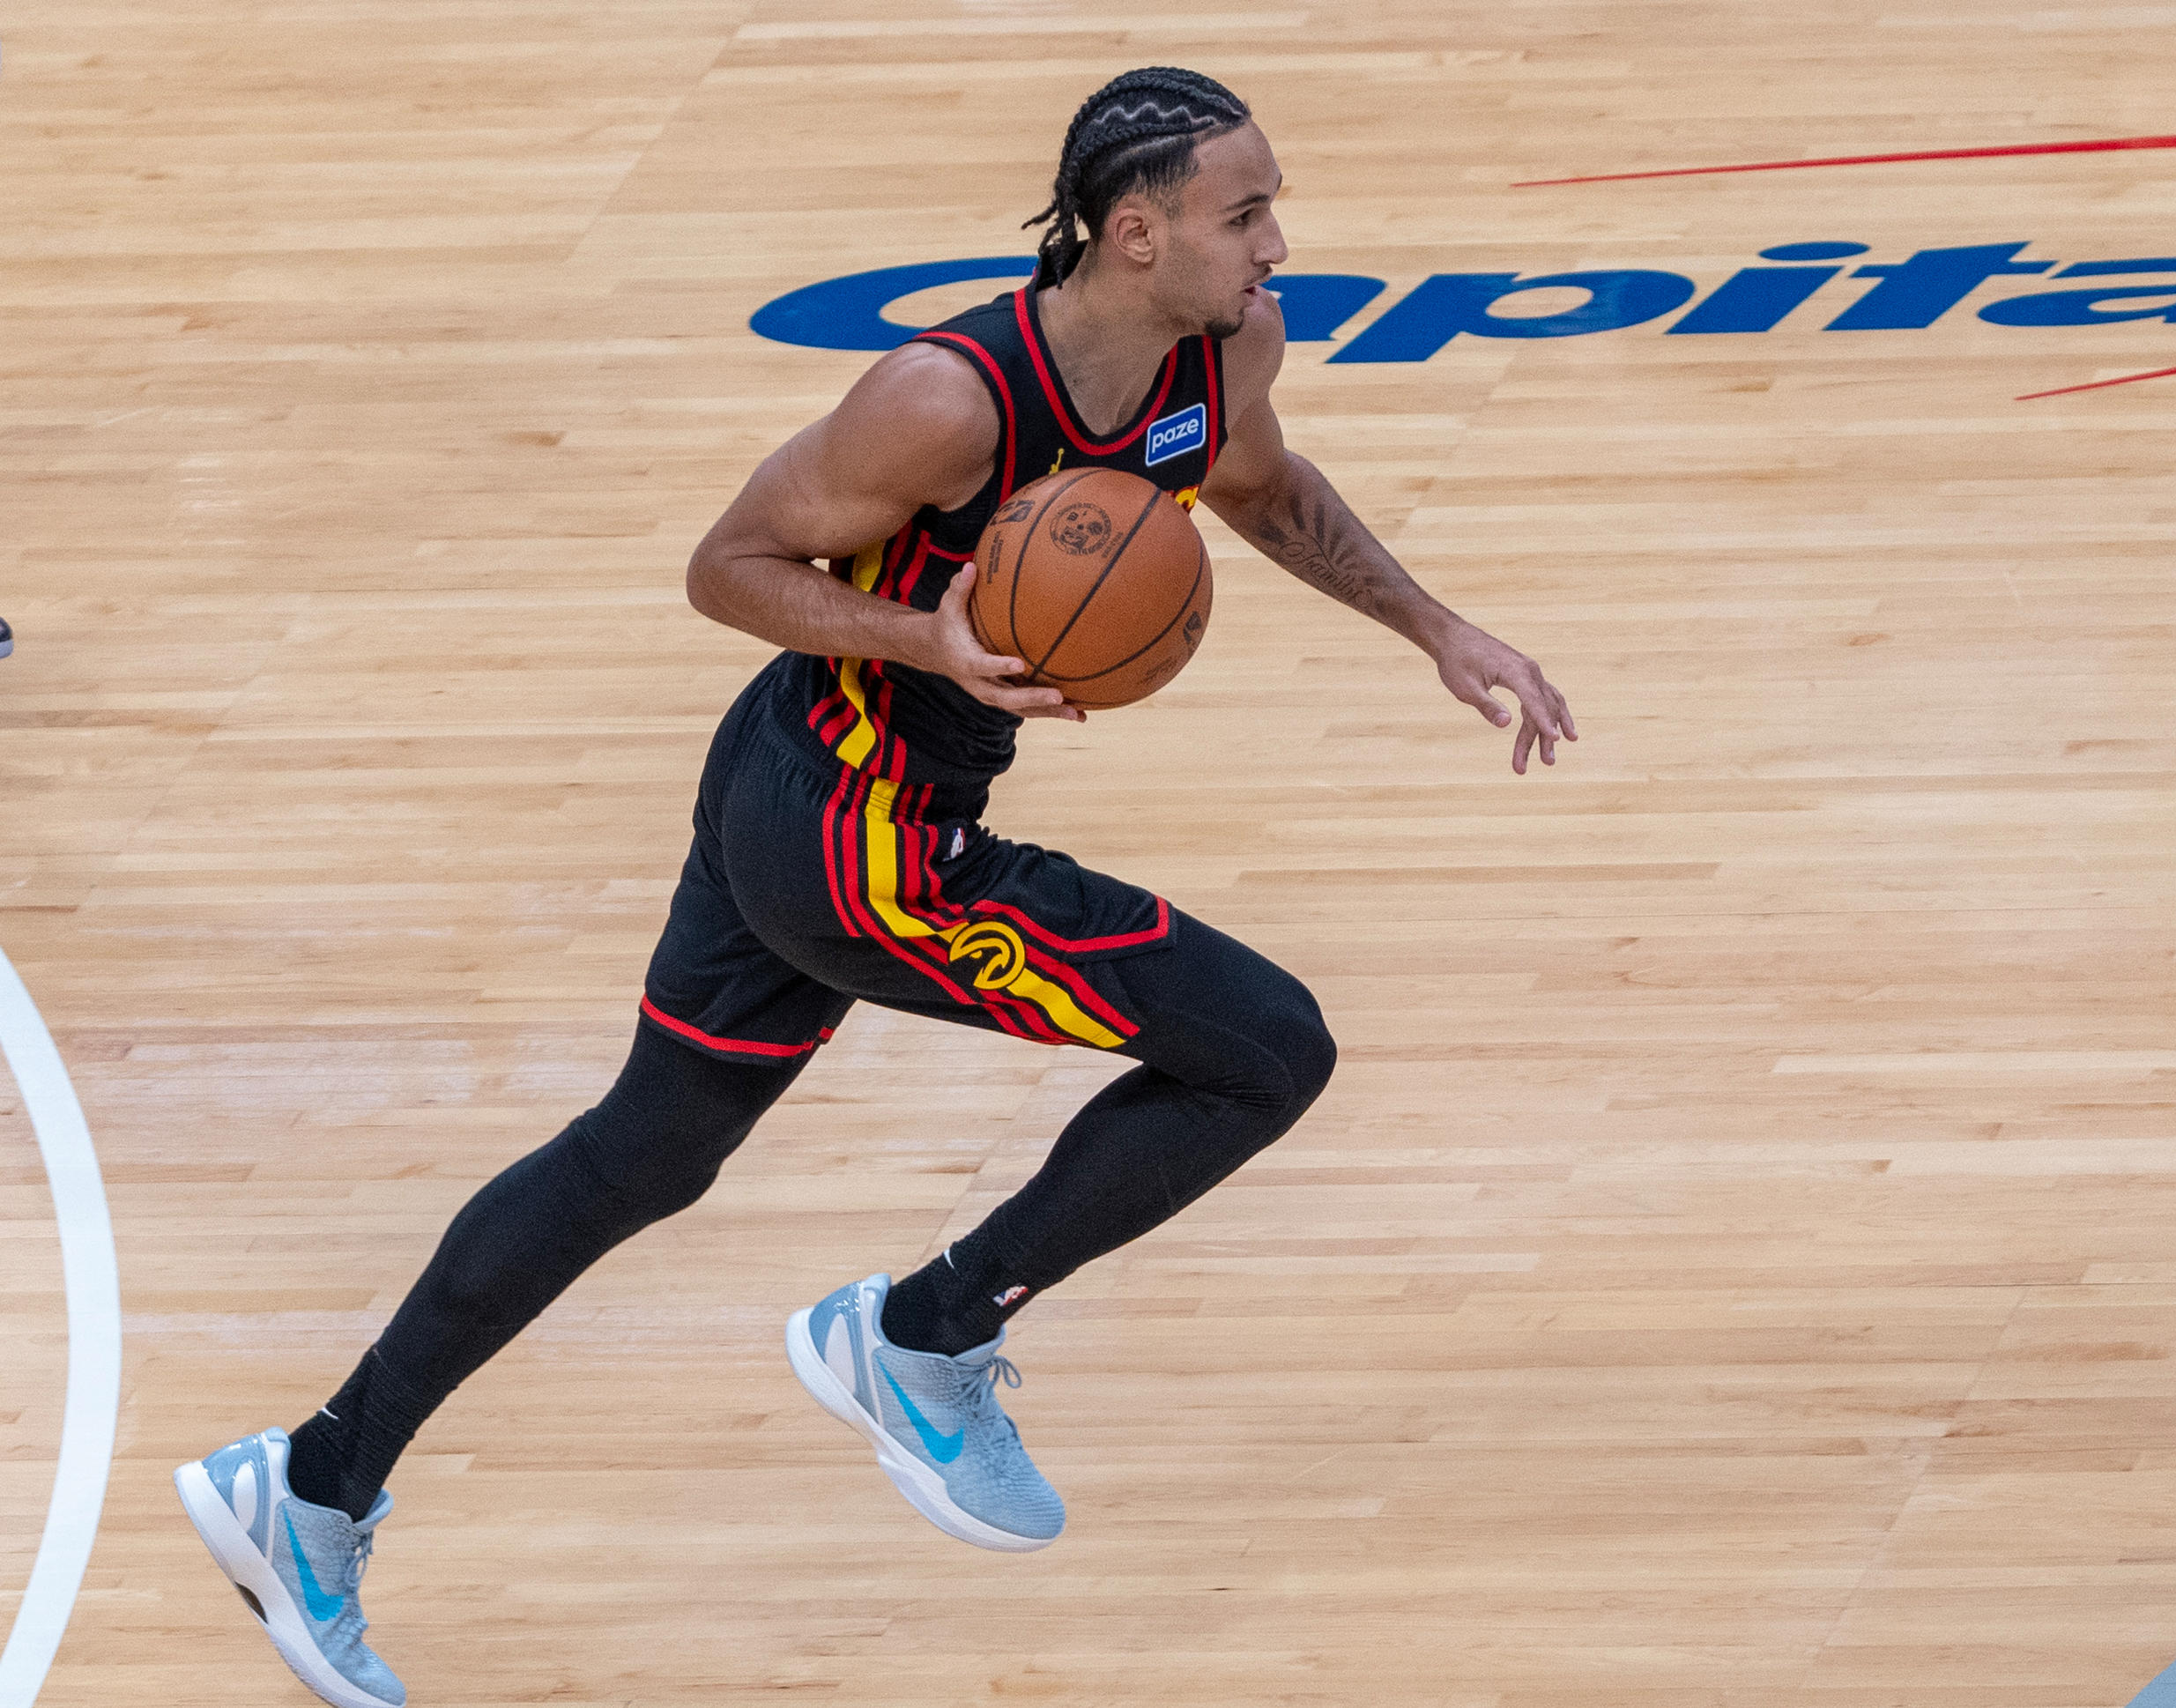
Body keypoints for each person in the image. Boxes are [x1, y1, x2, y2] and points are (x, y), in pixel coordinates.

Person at [175, 65, 1576, 1708]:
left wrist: (1440, 628)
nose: (1281, 241)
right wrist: (930, 639)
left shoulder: (1223, 355)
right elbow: (729, 568)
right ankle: (922, 1330)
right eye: (1246, 213)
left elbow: (1260, 486)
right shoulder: (945, 400)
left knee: (643, 1153)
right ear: (1137, 235)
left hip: (839, 803)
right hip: (856, 837)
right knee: (1268, 1046)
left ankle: (316, 1481)